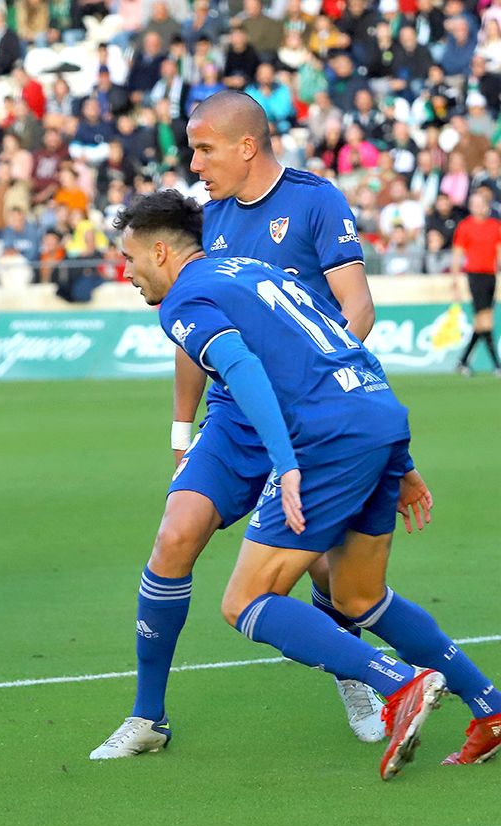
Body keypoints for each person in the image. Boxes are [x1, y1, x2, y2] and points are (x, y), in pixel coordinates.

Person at [109, 188, 501, 779]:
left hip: (322, 437)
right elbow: (341, 343)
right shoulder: (256, 270)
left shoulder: (185, 297)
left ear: (160, 252)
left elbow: (238, 367)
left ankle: (400, 683)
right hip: (375, 412)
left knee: (244, 601)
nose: (127, 272)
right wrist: (400, 454)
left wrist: (286, 462)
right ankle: (491, 708)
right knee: (360, 597)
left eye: (131, 259)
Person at [93, 90, 383, 759]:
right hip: (232, 417)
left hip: (306, 414)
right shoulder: (209, 220)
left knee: (322, 573)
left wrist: (319, 385)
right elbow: (196, 334)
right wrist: (179, 428)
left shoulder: (316, 200)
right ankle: (148, 718)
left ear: (246, 145)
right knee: (174, 536)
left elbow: (357, 305)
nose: (193, 162)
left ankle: (355, 676)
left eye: (203, 147)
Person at [450, 192, 501, 375]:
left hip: (490, 275)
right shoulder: (465, 226)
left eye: (480, 203)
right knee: (485, 320)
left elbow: (498, 251)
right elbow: (457, 253)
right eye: (474, 203)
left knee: (483, 322)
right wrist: (454, 279)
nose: (477, 206)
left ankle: (463, 361)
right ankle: (496, 364)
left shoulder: (495, 225)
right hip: (475, 275)